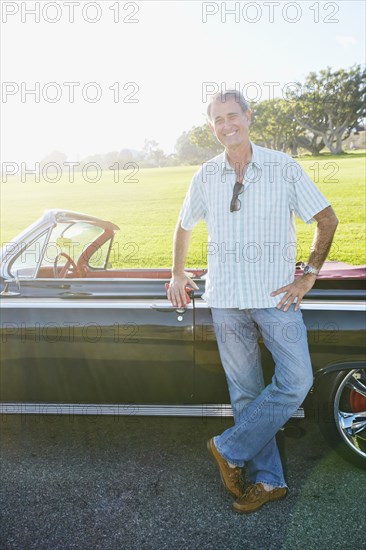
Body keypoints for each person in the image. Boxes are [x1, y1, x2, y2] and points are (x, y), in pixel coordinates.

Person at [167, 90, 338, 514]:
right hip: (224, 299)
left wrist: (309, 275)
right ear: (213, 127)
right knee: (245, 393)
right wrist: (176, 271)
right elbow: (184, 225)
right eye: (218, 119)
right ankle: (268, 481)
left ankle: (228, 448)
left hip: (275, 297)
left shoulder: (283, 167)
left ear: (248, 116)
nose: (227, 125)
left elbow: (326, 219)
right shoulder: (205, 175)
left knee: (297, 380)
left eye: (233, 116)